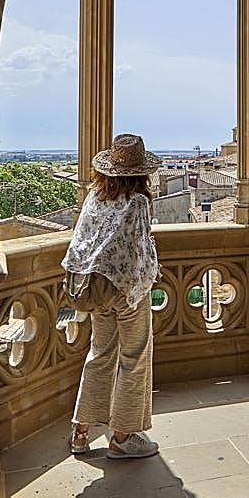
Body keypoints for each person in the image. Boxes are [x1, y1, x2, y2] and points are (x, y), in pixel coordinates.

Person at [62, 133, 162, 459]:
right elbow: (140, 251)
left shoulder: (95, 198)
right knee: (134, 359)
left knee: (100, 354)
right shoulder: (138, 202)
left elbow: (82, 241)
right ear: (140, 172)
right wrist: (146, 281)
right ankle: (123, 436)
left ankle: (80, 431)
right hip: (127, 292)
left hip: (96, 287)